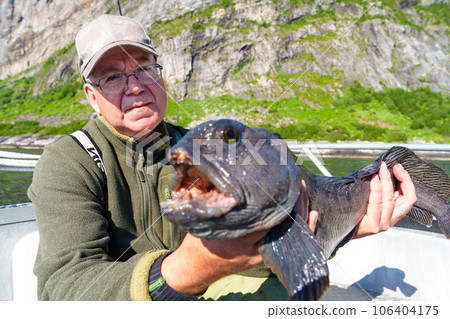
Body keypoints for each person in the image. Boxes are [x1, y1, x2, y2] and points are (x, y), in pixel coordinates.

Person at [28, 14, 417, 301]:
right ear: (91, 95)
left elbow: (279, 232)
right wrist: (188, 268)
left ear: (161, 76)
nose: (134, 87)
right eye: (112, 77)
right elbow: (62, 287)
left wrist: (344, 227)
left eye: (143, 68)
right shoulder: (68, 161)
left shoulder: (208, 147)